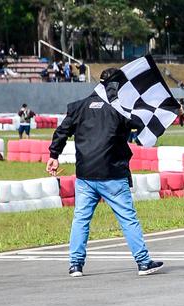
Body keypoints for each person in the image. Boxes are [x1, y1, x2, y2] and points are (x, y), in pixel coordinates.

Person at [46, 68, 164, 277]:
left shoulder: (80, 106)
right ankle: (143, 262)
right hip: (113, 174)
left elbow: (62, 131)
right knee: (128, 218)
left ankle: (75, 264)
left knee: (81, 219)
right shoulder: (119, 109)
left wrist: (54, 155)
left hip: (85, 174)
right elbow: (138, 124)